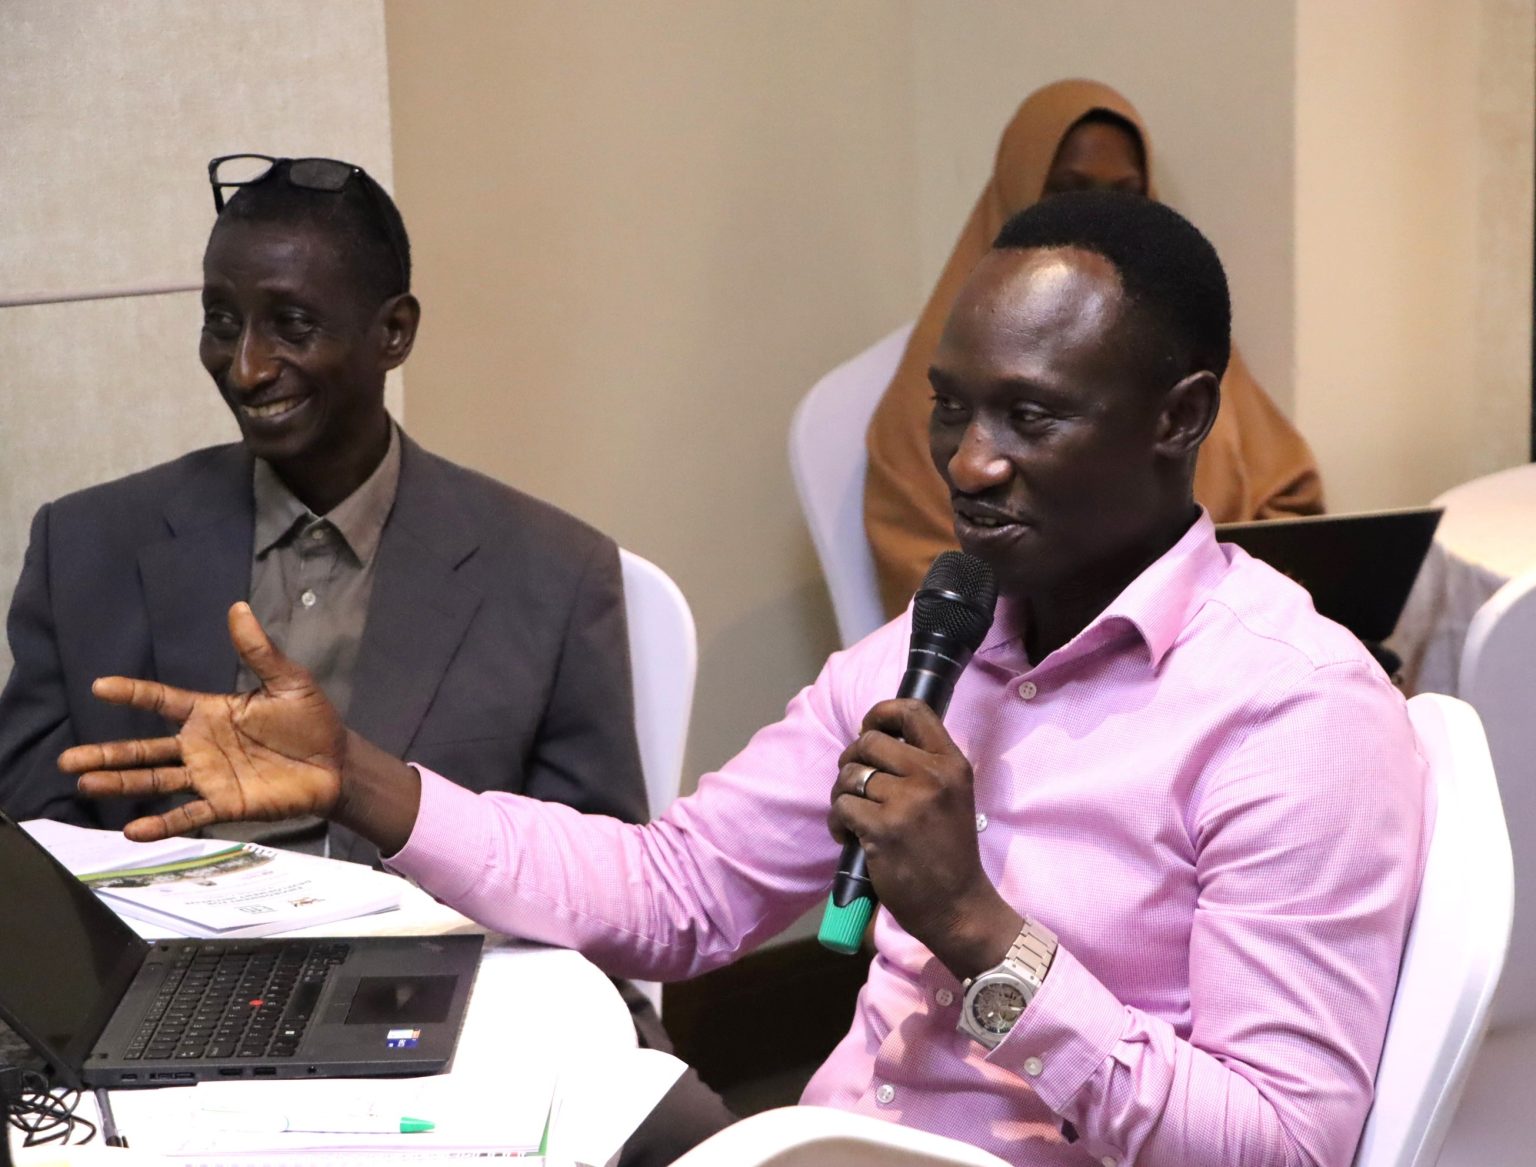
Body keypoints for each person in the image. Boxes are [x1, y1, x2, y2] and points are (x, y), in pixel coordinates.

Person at [65, 191, 1426, 1167]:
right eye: (953, 404)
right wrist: (363, 780)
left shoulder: (1293, 715)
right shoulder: (937, 643)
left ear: (1181, 418)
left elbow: (1279, 1143)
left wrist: (975, 928)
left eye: (1032, 414)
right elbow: (679, 892)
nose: (968, 462)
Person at [0, 155, 732, 1165]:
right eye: (221, 321)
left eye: (291, 325)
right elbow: (26, 868)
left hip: (450, 1008)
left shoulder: (550, 572)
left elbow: (595, 885)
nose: (246, 366)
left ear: (394, 332)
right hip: (168, 1021)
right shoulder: (89, 545)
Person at [865, 79, 1325, 616]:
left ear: (1186, 413)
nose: (1097, 216)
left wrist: (1215, 611)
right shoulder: (945, 362)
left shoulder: (1177, 345)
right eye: (1068, 190)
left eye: (1124, 193)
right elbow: (922, 574)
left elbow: (1290, 505)